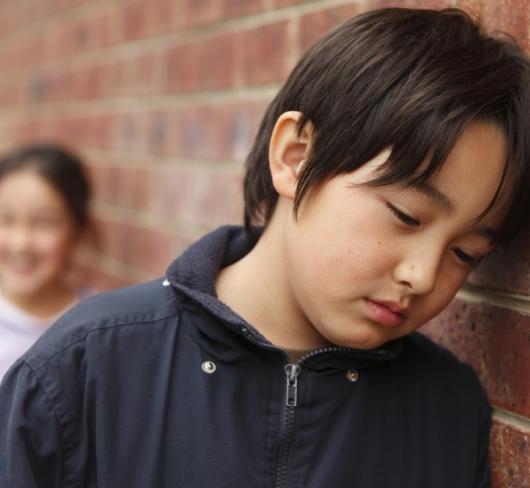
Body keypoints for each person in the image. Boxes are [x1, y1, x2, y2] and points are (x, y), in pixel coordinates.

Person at [1, 8, 529, 488]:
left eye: (465, 253)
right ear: (295, 157)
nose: (423, 274)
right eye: (406, 216)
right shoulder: (82, 371)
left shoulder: (446, 411)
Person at [0, 144, 92, 380]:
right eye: (5, 220)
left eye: (44, 223)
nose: (21, 243)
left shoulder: (100, 327)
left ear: (78, 231)